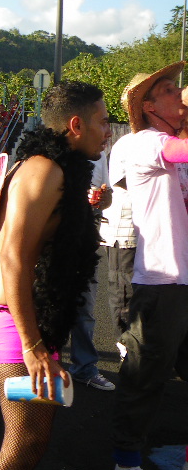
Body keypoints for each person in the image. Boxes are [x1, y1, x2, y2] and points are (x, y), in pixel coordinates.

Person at [0, 81, 110, 470]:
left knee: (34, 437)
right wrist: (32, 347)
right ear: (75, 125)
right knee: (23, 442)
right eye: (102, 121)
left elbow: (49, 231)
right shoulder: (44, 168)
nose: (107, 131)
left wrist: (85, 210)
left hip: (30, 321)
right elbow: (11, 255)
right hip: (14, 324)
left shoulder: (57, 170)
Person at [110, 62, 188, 470]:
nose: (180, 95)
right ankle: (126, 462)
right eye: (170, 90)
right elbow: (179, 151)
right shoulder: (143, 143)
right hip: (161, 280)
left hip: (184, 280)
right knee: (145, 377)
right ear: (149, 106)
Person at [66, 153, 116, 391]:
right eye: (103, 133)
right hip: (55, 236)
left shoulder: (99, 156)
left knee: (84, 306)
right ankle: (40, 367)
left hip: (87, 234)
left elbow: (106, 197)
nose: (107, 135)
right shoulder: (52, 155)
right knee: (46, 305)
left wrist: (104, 199)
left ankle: (83, 367)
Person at [98, 132, 137, 347]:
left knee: (145, 292)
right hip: (125, 231)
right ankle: (126, 347)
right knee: (124, 292)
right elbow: (123, 180)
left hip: (151, 232)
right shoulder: (128, 143)